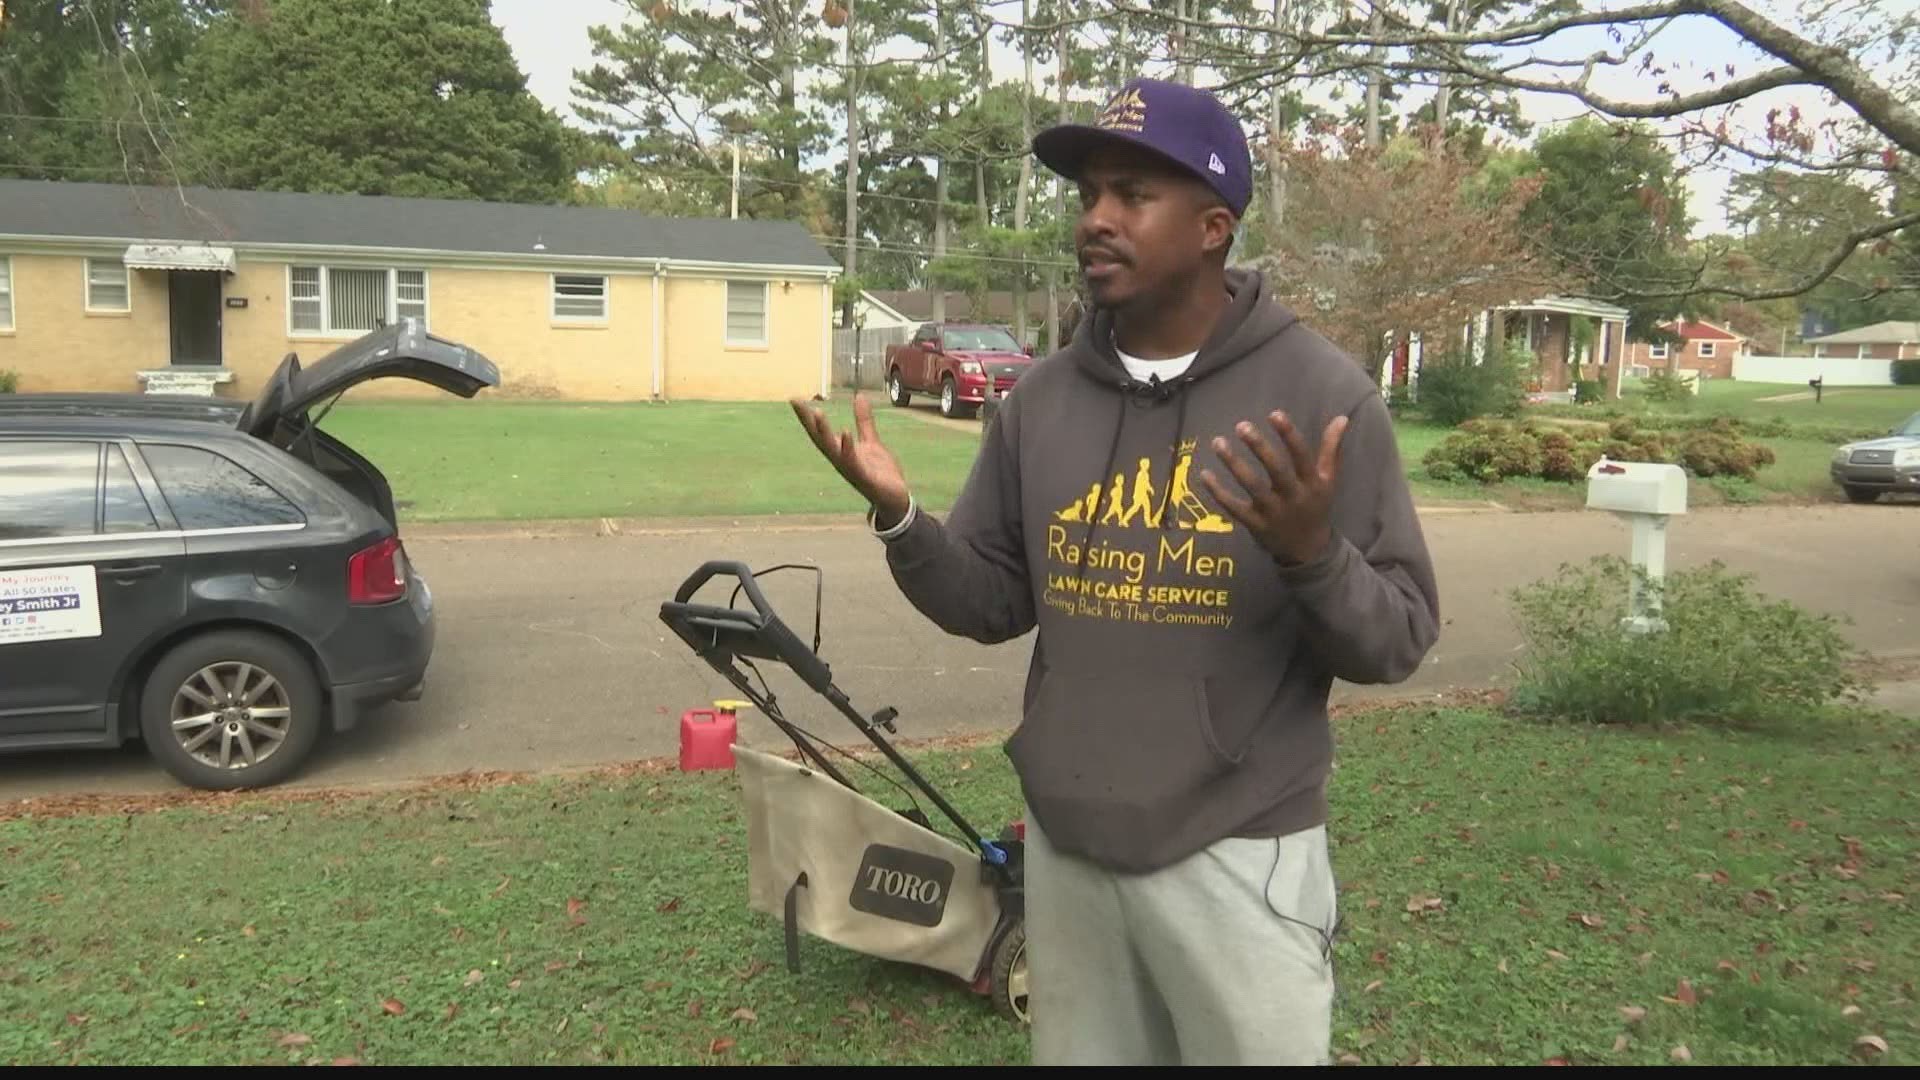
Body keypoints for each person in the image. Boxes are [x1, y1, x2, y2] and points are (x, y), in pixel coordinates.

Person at [791, 77, 1441, 1066]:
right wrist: (901, 517)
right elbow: (991, 599)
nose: (1096, 219)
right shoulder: (1042, 401)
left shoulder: (1321, 396)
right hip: (1069, 849)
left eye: (1131, 195)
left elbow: (1394, 639)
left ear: (1214, 225)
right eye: (1089, 194)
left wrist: (1312, 554)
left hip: (1239, 849)